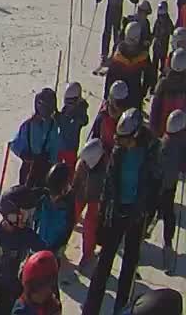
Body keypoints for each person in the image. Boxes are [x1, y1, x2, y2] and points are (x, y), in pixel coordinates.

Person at [83, 107, 159, 315]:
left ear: (135, 136)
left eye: (125, 140)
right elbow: (109, 184)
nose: (121, 144)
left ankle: (121, 309)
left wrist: (147, 212)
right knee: (103, 265)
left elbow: (154, 185)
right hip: (117, 211)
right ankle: (91, 309)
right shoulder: (119, 151)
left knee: (128, 267)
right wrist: (103, 215)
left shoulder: (151, 151)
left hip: (136, 215)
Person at [0, 185, 50, 309]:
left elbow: (45, 251)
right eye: (25, 214)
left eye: (30, 214)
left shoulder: (25, 234)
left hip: (12, 289)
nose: (28, 219)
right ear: (11, 214)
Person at [12, 88, 61, 188]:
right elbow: (15, 145)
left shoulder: (52, 126)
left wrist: (52, 163)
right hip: (28, 170)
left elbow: (54, 149)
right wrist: (23, 154)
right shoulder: (28, 126)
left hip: (44, 170)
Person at [34, 163, 77, 263]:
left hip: (55, 246)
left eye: (55, 193)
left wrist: (61, 244)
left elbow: (69, 225)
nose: (53, 197)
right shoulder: (44, 196)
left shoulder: (68, 202)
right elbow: (36, 216)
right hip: (39, 241)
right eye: (51, 192)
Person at [160, 109, 186, 270]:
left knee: (158, 211)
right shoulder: (178, 144)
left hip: (159, 184)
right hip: (167, 186)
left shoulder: (165, 140)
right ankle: (168, 243)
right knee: (168, 214)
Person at [104, 25, 155, 107]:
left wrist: (143, 92)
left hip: (132, 96)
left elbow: (149, 76)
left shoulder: (142, 56)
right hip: (121, 96)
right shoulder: (120, 55)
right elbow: (110, 76)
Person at [75, 137, 107, 264]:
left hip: (96, 198)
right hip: (80, 193)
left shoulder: (106, 168)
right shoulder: (82, 164)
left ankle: (88, 253)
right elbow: (76, 179)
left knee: (90, 226)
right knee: (70, 216)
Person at [99, 0, 140, 66]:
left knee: (116, 32)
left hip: (118, 10)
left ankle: (115, 51)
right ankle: (104, 54)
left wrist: (133, 0)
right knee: (107, 31)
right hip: (110, 9)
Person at [14, 249, 60, 315]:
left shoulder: (51, 304)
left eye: (50, 284)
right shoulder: (21, 311)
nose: (45, 291)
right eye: (39, 287)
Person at [56, 83, 91, 170]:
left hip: (71, 148)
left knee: (70, 169)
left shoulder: (78, 114)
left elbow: (84, 121)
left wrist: (80, 109)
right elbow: (60, 121)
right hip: (60, 147)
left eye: (71, 102)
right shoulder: (65, 111)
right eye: (67, 102)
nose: (69, 106)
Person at [160, 3, 178, 70]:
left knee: (163, 62)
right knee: (154, 64)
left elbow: (172, 31)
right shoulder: (158, 20)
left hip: (164, 45)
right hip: (157, 46)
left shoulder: (168, 21)